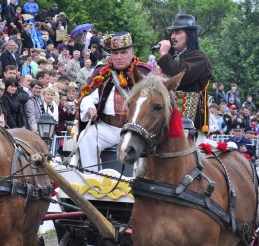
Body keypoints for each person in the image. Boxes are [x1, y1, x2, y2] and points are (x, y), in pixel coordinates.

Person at [78, 32, 152, 171]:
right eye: (115, 53)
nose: (118, 57)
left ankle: (140, 184)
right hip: (109, 127)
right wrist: (89, 108)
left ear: (132, 52)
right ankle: (92, 179)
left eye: (123, 52)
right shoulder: (102, 73)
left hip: (137, 129)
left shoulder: (145, 73)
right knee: (86, 136)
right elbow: (87, 97)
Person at [157, 14, 212, 139]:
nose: (172, 37)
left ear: (189, 35)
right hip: (169, 122)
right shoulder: (176, 58)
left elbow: (182, 74)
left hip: (190, 126)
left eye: (177, 32)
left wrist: (165, 54)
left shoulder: (200, 58)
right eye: (172, 33)